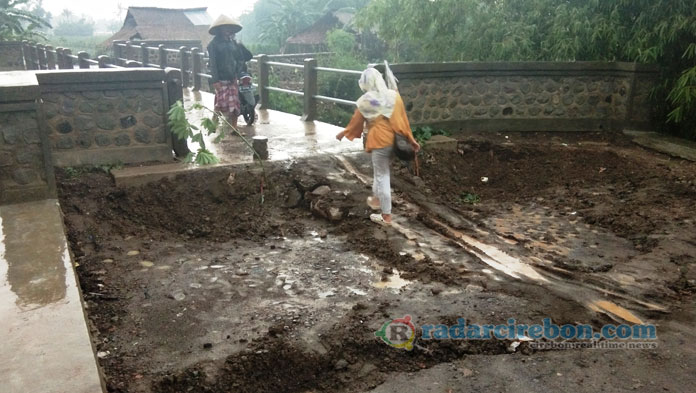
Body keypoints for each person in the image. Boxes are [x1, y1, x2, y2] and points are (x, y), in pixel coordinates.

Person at [335, 63, 421, 226]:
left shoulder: (368, 100)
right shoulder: (394, 96)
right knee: (381, 172)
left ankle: (386, 215)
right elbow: (403, 120)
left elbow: (356, 122)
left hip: (379, 141)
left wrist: (344, 133)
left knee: (382, 175)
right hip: (394, 140)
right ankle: (376, 199)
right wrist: (411, 139)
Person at [207, 15, 253, 128]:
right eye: (225, 28)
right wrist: (215, 80)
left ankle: (234, 128)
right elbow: (213, 63)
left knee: (235, 103)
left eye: (229, 28)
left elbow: (243, 57)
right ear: (219, 30)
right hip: (221, 77)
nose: (228, 30)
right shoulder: (213, 45)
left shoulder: (233, 43)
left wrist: (238, 70)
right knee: (220, 103)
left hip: (233, 77)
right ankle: (214, 120)